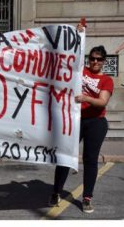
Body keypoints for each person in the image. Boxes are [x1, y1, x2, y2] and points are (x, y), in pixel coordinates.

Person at [49, 39, 114, 213]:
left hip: (96, 123)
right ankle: (55, 192)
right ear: (88, 59)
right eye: (92, 58)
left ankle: (87, 198)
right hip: (74, 120)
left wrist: (87, 99)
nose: (95, 62)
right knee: (64, 156)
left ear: (103, 62)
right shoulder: (80, 71)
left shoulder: (106, 80)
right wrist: (78, 35)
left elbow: (102, 102)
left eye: (99, 59)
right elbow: (68, 57)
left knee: (90, 160)